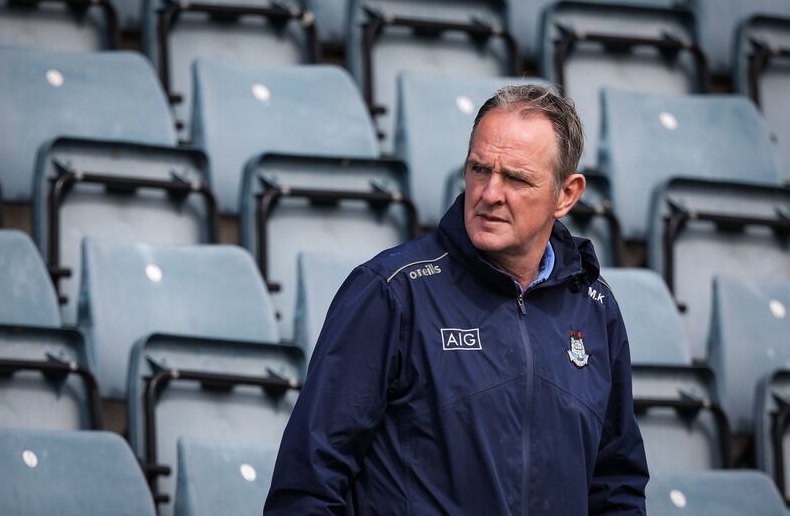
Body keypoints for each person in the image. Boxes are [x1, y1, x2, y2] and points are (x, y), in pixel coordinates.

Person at [265, 85, 649, 515]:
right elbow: (308, 484)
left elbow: (616, 486)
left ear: (566, 194)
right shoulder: (393, 291)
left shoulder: (595, 307)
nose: (489, 193)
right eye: (480, 170)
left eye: (517, 178)